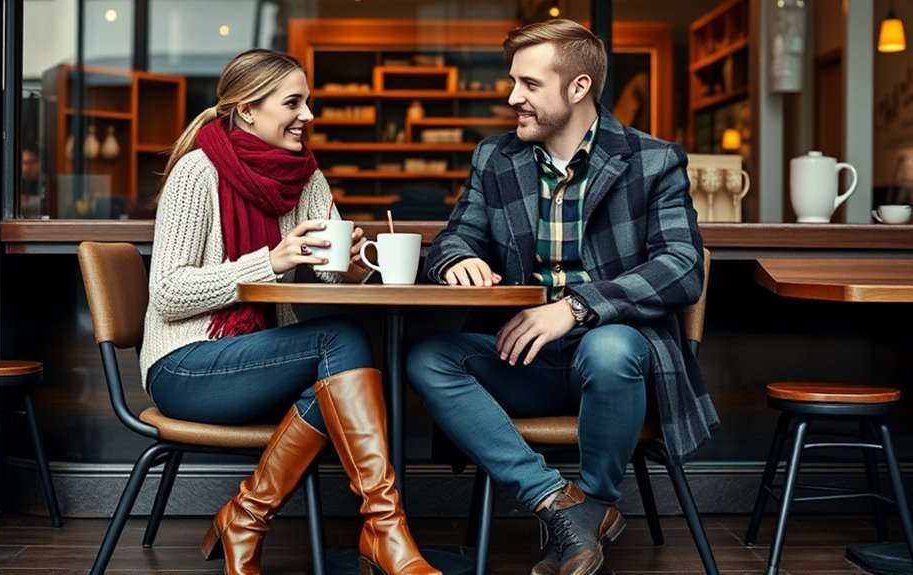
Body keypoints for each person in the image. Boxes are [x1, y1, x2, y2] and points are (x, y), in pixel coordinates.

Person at [406, 20, 717, 575]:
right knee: (428, 357)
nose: (512, 97)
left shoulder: (652, 160)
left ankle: (596, 499)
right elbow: (455, 236)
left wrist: (574, 306)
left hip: (616, 358)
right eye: (512, 82)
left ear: (578, 88)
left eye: (528, 85)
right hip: (523, 357)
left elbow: (682, 267)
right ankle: (558, 503)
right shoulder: (496, 158)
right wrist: (457, 258)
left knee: (609, 347)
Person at [142, 48, 440, 575]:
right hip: (185, 366)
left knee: (336, 377)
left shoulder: (306, 177)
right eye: (293, 102)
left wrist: (348, 267)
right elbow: (167, 292)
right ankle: (386, 529)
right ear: (248, 110)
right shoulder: (198, 172)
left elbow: (328, 272)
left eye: (308, 102)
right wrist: (270, 261)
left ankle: (247, 517)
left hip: (253, 367)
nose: (307, 115)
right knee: (339, 341)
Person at [20, 145, 44, 217]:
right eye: (23, 163)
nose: (26, 167)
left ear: (39, 163)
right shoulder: (16, 183)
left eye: (29, 162)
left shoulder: (46, 183)